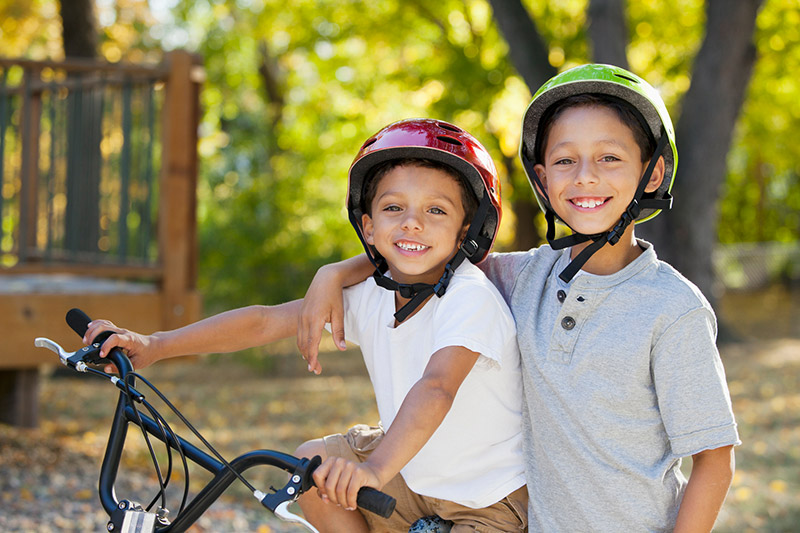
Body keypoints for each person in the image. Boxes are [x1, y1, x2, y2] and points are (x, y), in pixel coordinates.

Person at [296, 64, 741, 532]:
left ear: (652, 174)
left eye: (609, 158)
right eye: (566, 161)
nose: (585, 177)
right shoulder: (525, 276)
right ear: (544, 179)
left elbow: (713, 461)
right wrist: (338, 271)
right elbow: (427, 251)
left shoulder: (673, 308)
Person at [85, 118, 528, 533]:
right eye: (395, 207)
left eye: (436, 211)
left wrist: (372, 471)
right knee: (310, 465)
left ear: (464, 228)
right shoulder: (376, 291)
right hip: (412, 477)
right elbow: (263, 323)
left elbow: (437, 388)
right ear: (369, 228)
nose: (413, 221)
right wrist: (155, 345)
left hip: (484, 496)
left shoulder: (469, 296)